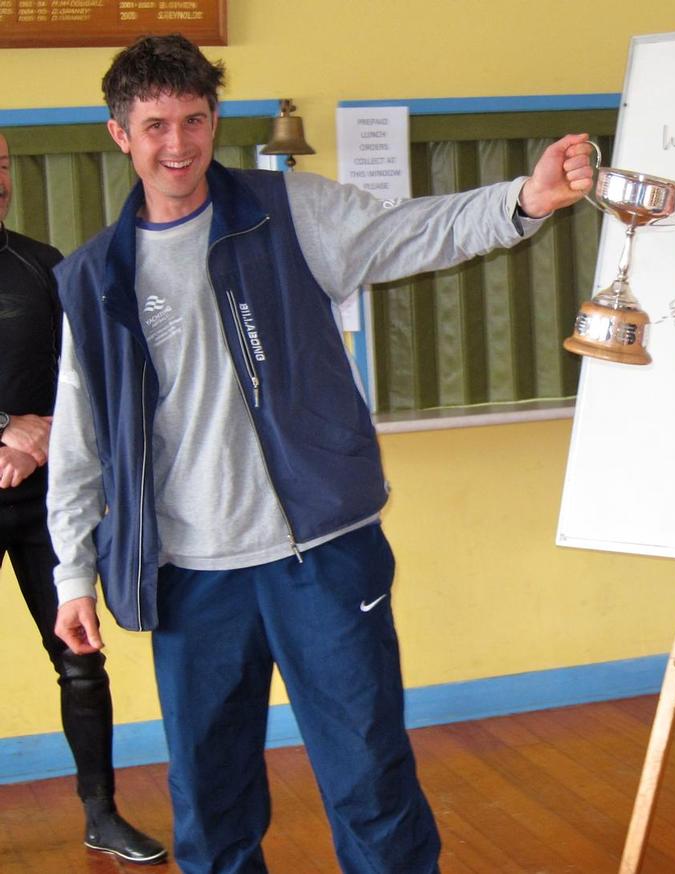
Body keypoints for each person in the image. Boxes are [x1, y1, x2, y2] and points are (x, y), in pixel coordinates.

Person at [47, 33, 593, 874]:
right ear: (120, 134)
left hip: (323, 555)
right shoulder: (92, 278)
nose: (179, 144)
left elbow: (415, 232)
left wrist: (525, 198)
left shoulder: (287, 210)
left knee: (370, 780)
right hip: (189, 577)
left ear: (214, 118)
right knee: (208, 799)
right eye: (155, 125)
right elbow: (79, 437)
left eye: (194, 120)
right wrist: (73, 574)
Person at [0, 133, 167, 865]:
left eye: (2, 165)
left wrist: (40, 438)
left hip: (44, 503)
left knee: (78, 656)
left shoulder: (43, 265)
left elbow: (87, 379)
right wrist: (8, 427)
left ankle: (101, 813)